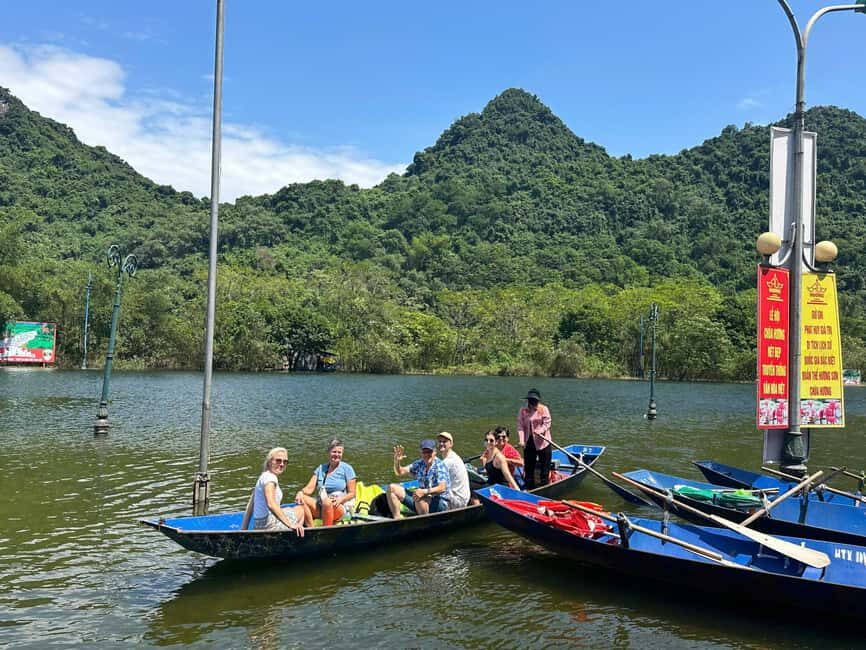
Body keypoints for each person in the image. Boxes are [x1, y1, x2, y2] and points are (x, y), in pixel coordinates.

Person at [241, 447, 306, 535]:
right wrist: (290, 525)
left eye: (285, 461)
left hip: (258, 525)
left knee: (289, 509)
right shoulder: (270, 479)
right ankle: (300, 536)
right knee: (301, 509)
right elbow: (271, 504)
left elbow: (249, 507)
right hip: (269, 525)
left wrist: (243, 531)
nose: (282, 464)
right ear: (269, 462)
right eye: (278, 460)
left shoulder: (263, 476)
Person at [296, 438, 357, 525]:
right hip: (321, 505)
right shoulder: (321, 468)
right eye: (334, 452)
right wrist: (300, 492)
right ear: (329, 452)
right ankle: (310, 528)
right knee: (301, 498)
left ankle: (326, 529)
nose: (336, 455)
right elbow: (309, 488)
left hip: (338, 506)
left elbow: (352, 493)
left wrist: (341, 499)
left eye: (339, 452)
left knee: (327, 502)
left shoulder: (347, 469)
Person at [386, 439, 450, 518]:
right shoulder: (420, 463)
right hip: (420, 500)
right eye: (424, 452)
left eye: (429, 452)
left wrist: (424, 492)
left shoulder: (440, 465)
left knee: (419, 496)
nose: (426, 454)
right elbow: (399, 472)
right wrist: (397, 461)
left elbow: (442, 488)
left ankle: (425, 522)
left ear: (435, 452)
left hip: (440, 504)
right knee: (391, 488)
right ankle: (397, 520)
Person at [517, 388, 553, 490]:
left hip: (543, 442)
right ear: (529, 401)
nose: (534, 403)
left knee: (544, 468)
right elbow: (520, 426)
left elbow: (547, 423)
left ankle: (544, 487)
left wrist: (540, 431)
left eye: (535, 401)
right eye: (532, 401)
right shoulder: (523, 410)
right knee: (529, 468)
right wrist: (521, 440)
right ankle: (530, 488)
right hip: (528, 442)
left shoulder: (543, 409)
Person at [436, 431, 471, 510]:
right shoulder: (452, 456)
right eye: (440, 441)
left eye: (444, 442)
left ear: (451, 444)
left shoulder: (448, 461)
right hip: (462, 498)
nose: (441, 443)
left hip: (458, 501)